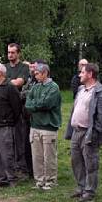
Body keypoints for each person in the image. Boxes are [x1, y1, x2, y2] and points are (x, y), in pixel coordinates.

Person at [65, 62, 102, 202]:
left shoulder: (100, 93)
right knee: (76, 161)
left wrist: (95, 133)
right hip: (76, 131)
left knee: (90, 162)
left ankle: (89, 191)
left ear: (90, 74)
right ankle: (81, 187)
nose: (80, 75)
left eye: (82, 72)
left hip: (89, 132)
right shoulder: (80, 89)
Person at [25, 62, 61, 190]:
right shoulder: (35, 87)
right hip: (35, 126)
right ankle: (39, 181)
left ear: (45, 73)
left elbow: (47, 104)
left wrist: (35, 105)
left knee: (49, 157)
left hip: (48, 126)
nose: (35, 76)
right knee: (37, 156)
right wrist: (36, 104)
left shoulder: (54, 87)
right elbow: (27, 103)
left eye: (37, 74)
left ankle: (50, 181)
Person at [0, 63, 23, 188]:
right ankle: (0, 178)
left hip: (4, 125)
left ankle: (11, 178)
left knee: (7, 153)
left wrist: (9, 120)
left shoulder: (9, 87)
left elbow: (17, 106)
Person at [5, 43, 31, 178]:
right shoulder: (5, 67)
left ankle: (22, 168)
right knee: (8, 139)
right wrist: (9, 82)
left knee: (21, 139)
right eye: (8, 52)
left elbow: (19, 82)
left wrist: (4, 82)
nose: (10, 55)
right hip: (6, 108)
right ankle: (11, 167)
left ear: (18, 53)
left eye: (13, 52)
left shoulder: (24, 67)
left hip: (20, 108)